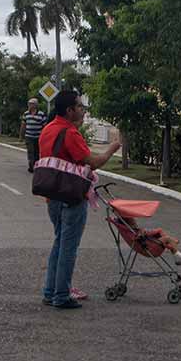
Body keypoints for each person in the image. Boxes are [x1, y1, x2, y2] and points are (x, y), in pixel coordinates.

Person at [39, 90, 121, 310]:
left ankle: (50, 292)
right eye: (79, 106)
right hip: (71, 196)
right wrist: (111, 149)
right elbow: (92, 162)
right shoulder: (69, 133)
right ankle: (61, 295)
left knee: (59, 243)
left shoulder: (48, 129)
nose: (83, 111)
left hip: (52, 196)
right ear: (69, 110)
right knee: (68, 247)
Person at [21, 98, 46, 173]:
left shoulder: (41, 114)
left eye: (31, 104)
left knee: (37, 152)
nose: (30, 105)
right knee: (31, 151)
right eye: (29, 104)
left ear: (35, 105)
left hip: (38, 137)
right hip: (29, 136)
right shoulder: (26, 114)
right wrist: (21, 135)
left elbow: (44, 126)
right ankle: (31, 166)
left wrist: (44, 136)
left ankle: (36, 165)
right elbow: (23, 125)